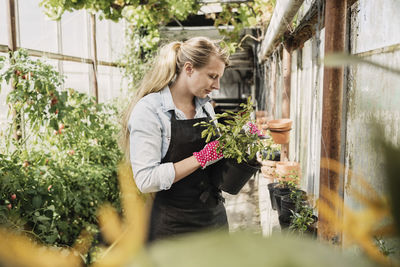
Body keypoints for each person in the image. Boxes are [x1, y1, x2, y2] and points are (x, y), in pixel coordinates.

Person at [121, 37, 230, 242]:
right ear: (189, 69)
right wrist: (202, 157)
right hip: (172, 228)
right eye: (212, 76)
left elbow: (215, 160)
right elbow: (146, 180)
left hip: (213, 220)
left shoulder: (205, 106)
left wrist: (237, 146)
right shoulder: (150, 110)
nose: (216, 85)